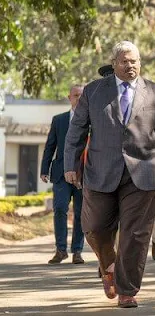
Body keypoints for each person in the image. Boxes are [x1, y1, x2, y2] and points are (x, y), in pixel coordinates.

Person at [64, 41, 155, 309]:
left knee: (135, 234)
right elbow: (77, 130)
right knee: (93, 226)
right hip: (100, 170)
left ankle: (127, 290)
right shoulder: (93, 91)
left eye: (135, 61)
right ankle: (109, 266)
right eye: (125, 61)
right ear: (114, 63)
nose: (131, 66)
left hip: (145, 172)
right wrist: (70, 165)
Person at [41, 84, 85, 265]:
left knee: (81, 213)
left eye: (82, 96)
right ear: (69, 98)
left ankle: (77, 251)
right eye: (76, 95)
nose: (79, 99)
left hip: (84, 174)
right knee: (59, 208)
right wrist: (44, 169)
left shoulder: (93, 120)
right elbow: (50, 145)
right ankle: (61, 250)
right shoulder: (59, 120)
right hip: (60, 173)